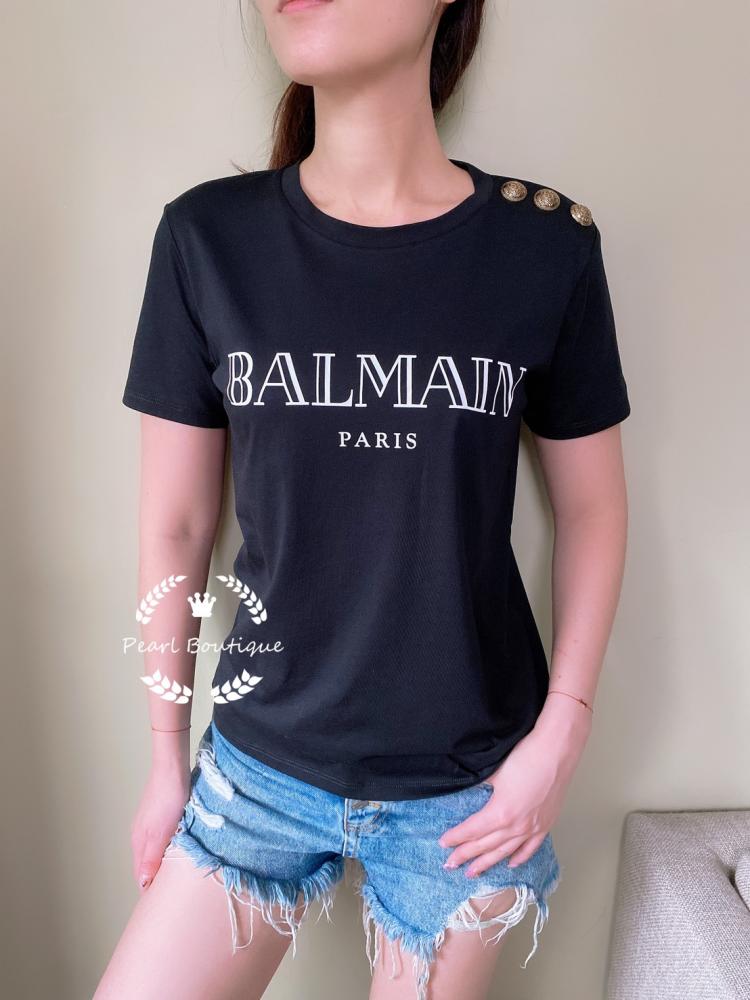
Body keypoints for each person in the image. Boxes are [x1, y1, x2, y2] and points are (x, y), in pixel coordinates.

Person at [95, 1, 631, 998]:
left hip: (466, 794)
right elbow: (176, 525)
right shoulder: (207, 239)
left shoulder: (543, 246)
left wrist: (564, 732)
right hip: (255, 768)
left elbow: (592, 508)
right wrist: (165, 758)